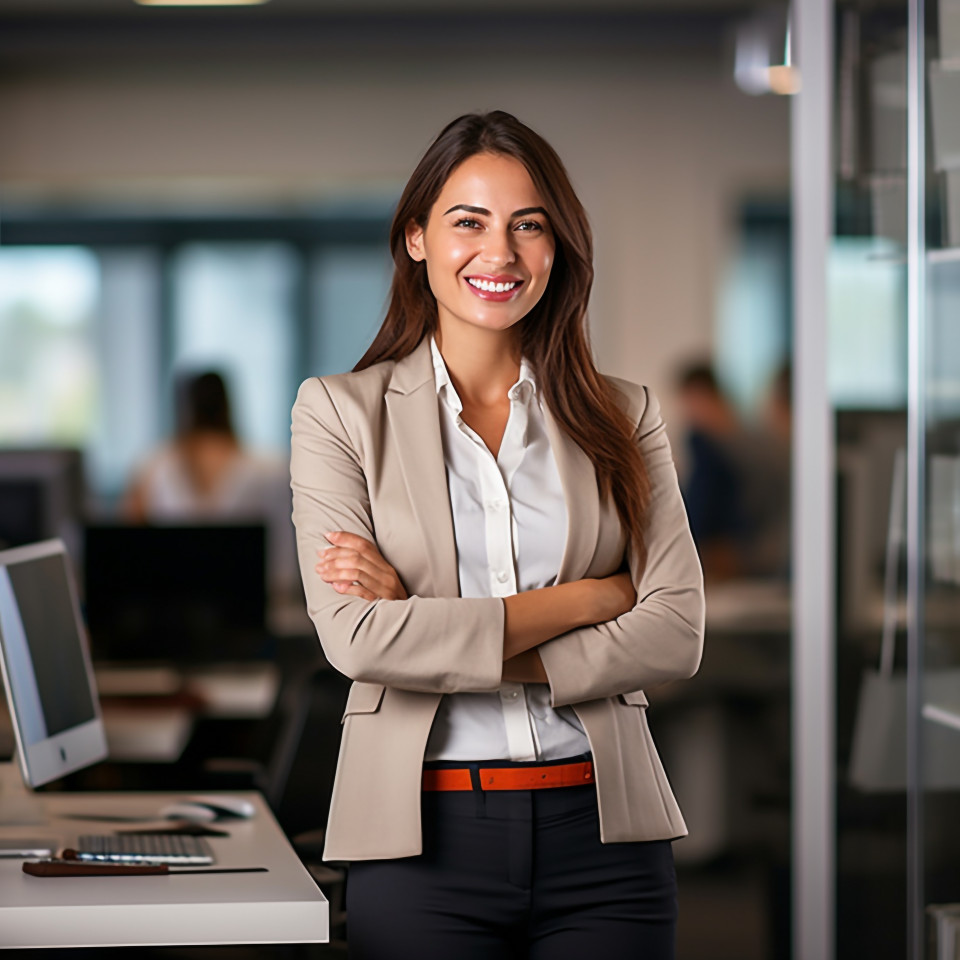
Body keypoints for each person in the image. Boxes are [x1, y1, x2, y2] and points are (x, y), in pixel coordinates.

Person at [290, 111, 705, 959]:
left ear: (559, 246)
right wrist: (588, 600)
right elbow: (359, 639)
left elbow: (676, 631)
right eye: (469, 222)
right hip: (419, 832)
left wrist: (427, 623)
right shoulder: (339, 413)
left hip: (606, 832)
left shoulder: (624, 415)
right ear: (416, 238)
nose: (501, 252)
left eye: (529, 225)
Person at [125, 369, 295, 600]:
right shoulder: (272, 469)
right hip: (254, 603)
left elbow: (128, 547)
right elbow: (286, 558)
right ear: (228, 404)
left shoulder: (152, 466)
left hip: (171, 604)